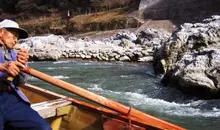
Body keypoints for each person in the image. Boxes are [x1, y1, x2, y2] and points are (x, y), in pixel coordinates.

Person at [0, 19, 52, 130]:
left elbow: (20, 83)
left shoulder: (13, 53)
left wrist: (22, 65)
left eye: (17, 37)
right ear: (1, 32)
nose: (15, 40)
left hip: (9, 99)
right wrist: (3, 67)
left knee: (43, 128)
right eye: (13, 35)